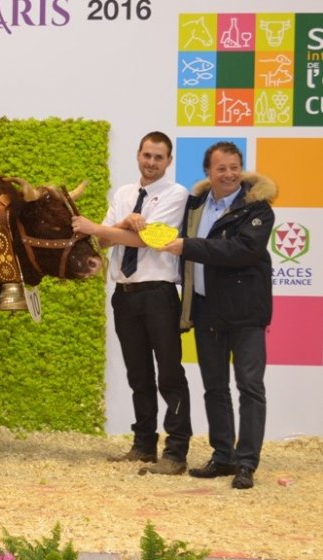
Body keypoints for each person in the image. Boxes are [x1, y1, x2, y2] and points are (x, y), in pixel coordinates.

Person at [72, 131, 192, 475]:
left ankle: (176, 451)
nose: (151, 163)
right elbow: (103, 243)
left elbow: (148, 240)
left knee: (169, 374)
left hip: (158, 294)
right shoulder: (124, 194)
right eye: (147, 155)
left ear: (168, 161)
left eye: (158, 157)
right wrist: (121, 223)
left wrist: (98, 227)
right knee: (138, 374)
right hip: (124, 295)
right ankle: (143, 446)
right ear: (138, 155)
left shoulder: (176, 193)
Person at [161, 141, 276, 490]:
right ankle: (223, 456)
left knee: (250, 387)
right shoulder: (195, 205)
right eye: (221, 168)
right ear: (207, 172)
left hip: (246, 312)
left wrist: (189, 246)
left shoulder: (258, 208)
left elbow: (242, 250)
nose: (229, 174)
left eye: (234, 167)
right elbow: (169, 234)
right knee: (214, 387)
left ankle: (246, 463)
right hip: (207, 308)